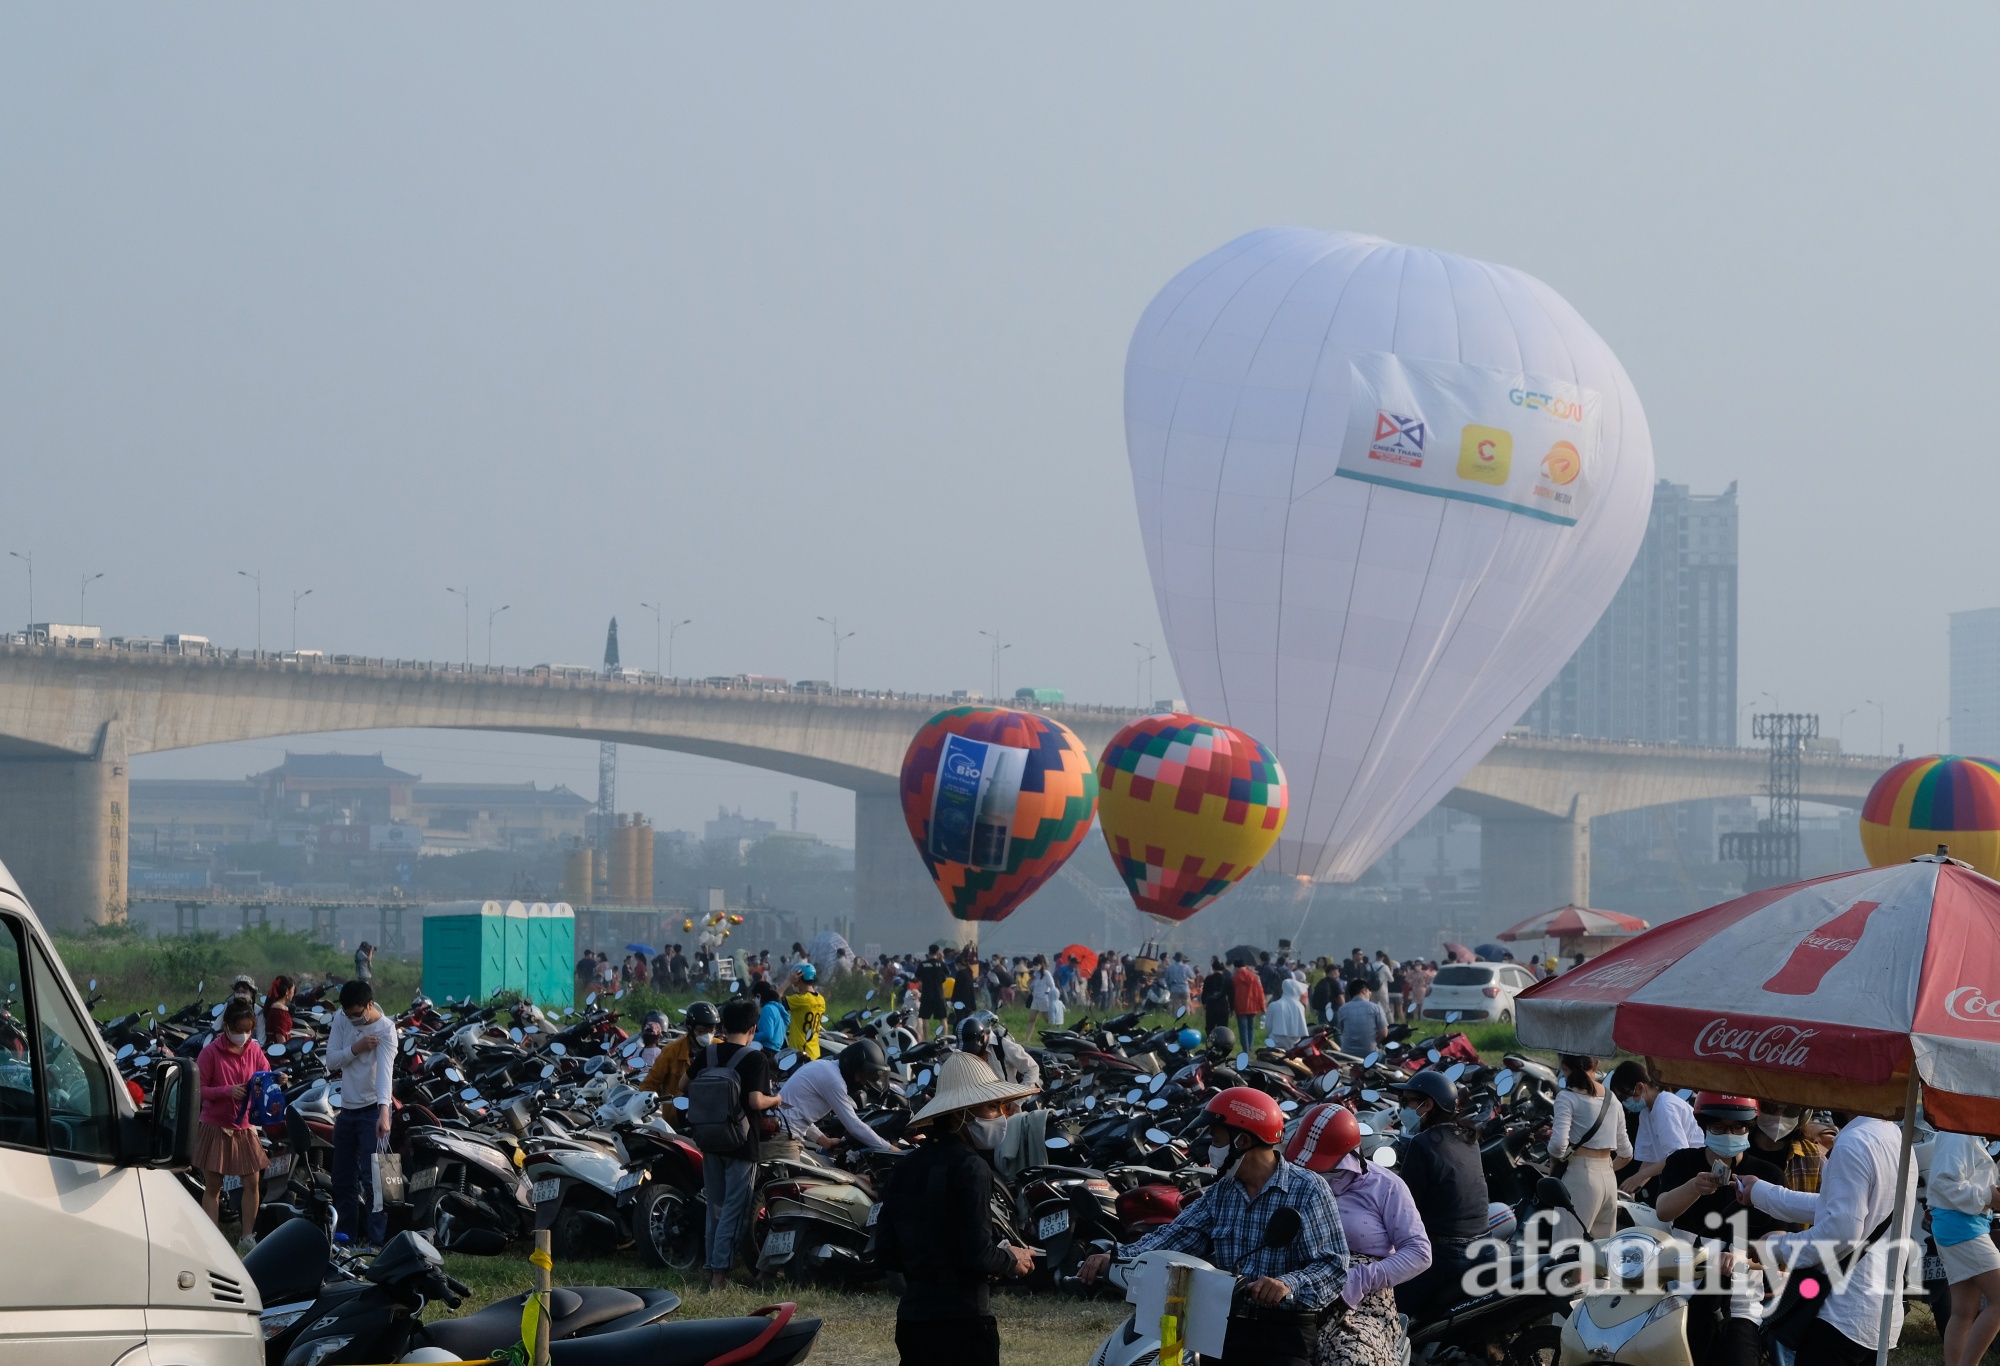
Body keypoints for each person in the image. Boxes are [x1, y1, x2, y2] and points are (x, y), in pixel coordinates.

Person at [1080, 1087, 1350, 1366]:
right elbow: (1175, 1237)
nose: (1211, 1148)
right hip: (1221, 1327)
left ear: (1242, 1141)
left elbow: (1334, 1266)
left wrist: (1285, 1284)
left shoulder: (1308, 1189)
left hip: (1283, 1334)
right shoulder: (1222, 1192)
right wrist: (1116, 1257)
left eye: (1216, 1139)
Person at [875, 1051, 1040, 1366]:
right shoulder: (971, 1167)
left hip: (913, 1321)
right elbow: (977, 1253)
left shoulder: (906, 1165)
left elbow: (886, 1252)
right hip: (963, 1324)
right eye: (992, 1106)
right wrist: (1010, 1259)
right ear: (960, 1114)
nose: (1000, 1116)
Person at [1735, 1110, 1921, 1363]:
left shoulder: (1853, 1142)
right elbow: (1838, 1208)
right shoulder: (1895, 1136)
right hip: (1879, 1310)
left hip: (1842, 1311)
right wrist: (1760, 1193)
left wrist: (1775, 1246)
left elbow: (1840, 1233)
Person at [1285, 1104, 1431, 1366]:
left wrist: (1358, 1279)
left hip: (1363, 1303)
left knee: (1351, 1358)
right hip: (1299, 1291)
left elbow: (1419, 1252)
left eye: (1324, 1168)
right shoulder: (1297, 1180)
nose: (1315, 1175)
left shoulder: (1385, 1186)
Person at [1652, 1093, 1785, 1366]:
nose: (1730, 1134)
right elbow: (1663, 1210)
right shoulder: (1682, 1163)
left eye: (1738, 1128)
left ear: (1749, 1127)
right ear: (1704, 1127)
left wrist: (1743, 1258)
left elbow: (1782, 1243)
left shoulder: (1768, 1175)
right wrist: (1693, 1188)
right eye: (1720, 1128)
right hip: (1682, 1295)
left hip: (1742, 1300)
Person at [685, 996, 783, 1290]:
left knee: (714, 1205)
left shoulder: (708, 1054)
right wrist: (776, 1098)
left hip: (709, 1140)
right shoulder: (755, 1059)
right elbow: (755, 1100)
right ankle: (719, 1274)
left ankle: (711, 1268)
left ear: (723, 1026)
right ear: (753, 1029)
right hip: (741, 1144)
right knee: (733, 1208)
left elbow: (682, 1086)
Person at [1388, 1069, 1488, 1315]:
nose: (1403, 1109)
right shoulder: (1468, 1137)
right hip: (1485, 1246)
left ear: (1428, 1104)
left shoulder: (1422, 1144)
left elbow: (1406, 1209)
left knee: (1388, 1303)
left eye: (1407, 1101)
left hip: (1448, 1256)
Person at [196, 998, 273, 1251]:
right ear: (226, 1027)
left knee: (252, 1183)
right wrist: (227, 1091)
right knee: (214, 1186)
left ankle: (247, 1237)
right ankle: (211, 1239)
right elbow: (199, 1089)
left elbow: (265, 1076)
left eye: (248, 1030)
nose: (243, 1035)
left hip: (244, 1126)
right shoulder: (210, 1053)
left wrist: (275, 1080)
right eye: (238, 1030)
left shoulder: (254, 1050)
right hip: (216, 1125)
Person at [324, 979, 396, 1247]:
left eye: (357, 1014)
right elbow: (331, 1060)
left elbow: (385, 1074)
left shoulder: (387, 1030)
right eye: (348, 1014)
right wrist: (357, 1048)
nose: (352, 1019)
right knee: (342, 1179)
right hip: (347, 1111)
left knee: (376, 1180)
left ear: (369, 1005)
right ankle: (345, 1239)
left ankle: (377, 1242)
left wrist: (384, 1113)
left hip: (372, 1112)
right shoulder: (342, 1019)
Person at [1927, 1128, 2000, 1366]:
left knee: (1964, 1311)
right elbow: (1943, 1183)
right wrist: (1988, 1196)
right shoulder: (1958, 1134)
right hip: (1961, 1226)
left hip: (1962, 1224)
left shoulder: (1971, 1134)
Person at [1547, 1054, 1629, 1239]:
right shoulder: (1612, 1098)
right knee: (1601, 1254)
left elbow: (1558, 1144)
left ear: (1563, 1066)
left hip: (1580, 1177)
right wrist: (1604, 1170)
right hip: (1609, 1179)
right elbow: (1626, 1153)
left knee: (1567, 1250)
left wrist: (1554, 1163)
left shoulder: (1567, 1097)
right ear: (1597, 1065)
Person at [775, 1041, 900, 1154]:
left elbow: (798, 1115)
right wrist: (891, 1149)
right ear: (852, 1067)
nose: (863, 1083)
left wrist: (824, 1141)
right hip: (783, 1139)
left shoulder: (823, 1066)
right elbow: (854, 1126)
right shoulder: (834, 1080)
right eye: (862, 1076)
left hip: (783, 1131)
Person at [1608, 1061, 1702, 1196]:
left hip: (1697, 1175)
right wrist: (1633, 1189)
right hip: (1685, 1177)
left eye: (1624, 1097)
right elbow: (1650, 1157)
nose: (1624, 1103)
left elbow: (1678, 1156)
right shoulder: (1646, 1112)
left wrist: (1639, 1177)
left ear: (1640, 1088)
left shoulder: (1665, 1105)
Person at [1745, 1102, 1833, 1193]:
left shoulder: (1814, 1158)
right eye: (1770, 1108)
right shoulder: (1736, 1150)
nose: (1779, 1116)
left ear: (1803, 1114)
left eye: (1790, 1111)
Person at [640, 1001, 719, 1099]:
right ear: (690, 1028)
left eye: (711, 1030)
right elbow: (649, 1084)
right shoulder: (671, 1051)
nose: (707, 1035)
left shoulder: (721, 1048)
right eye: (702, 1030)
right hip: (677, 1112)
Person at [957, 1010, 1040, 1088]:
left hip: (1008, 1098)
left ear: (982, 1039)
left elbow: (1032, 1069)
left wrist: (1018, 1101)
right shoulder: (964, 1052)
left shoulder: (1003, 1046)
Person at [782, 963, 826, 1059]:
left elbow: (774, 999)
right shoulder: (821, 999)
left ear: (798, 978)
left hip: (801, 1054)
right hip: (815, 1052)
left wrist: (788, 981)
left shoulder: (801, 999)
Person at [1336, 979, 1387, 1058]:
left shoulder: (1342, 1009)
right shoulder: (1375, 1008)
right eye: (1369, 991)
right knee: (1386, 1056)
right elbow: (1384, 1033)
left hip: (1347, 1054)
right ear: (1364, 991)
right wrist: (1374, 1042)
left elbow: (1342, 1031)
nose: (1370, 993)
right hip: (1369, 1054)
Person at [1264, 977, 1309, 1051]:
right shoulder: (1300, 1006)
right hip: (1294, 1041)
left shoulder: (1274, 1005)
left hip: (1276, 1040)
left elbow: (1268, 1025)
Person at [1232, 958, 1267, 1049]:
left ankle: (1245, 1048)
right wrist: (1263, 1007)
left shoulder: (1235, 978)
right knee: (1251, 1028)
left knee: (1243, 1030)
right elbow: (1260, 992)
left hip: (1240, 1007)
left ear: (1236, 967)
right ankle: (1250, 1046)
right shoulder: (1255, 977)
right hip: (1253, 1006)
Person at [752, 980, 789, 1051]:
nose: (754, 1000)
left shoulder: (767, 1009)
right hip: (777, 1049)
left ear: (758, 996)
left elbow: (768, 1034)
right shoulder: (777, 1007)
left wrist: (751, 1036)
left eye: (755, 997)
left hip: (768, 1049)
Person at [1202, 957, 1234, 1035]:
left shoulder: (1208, 979)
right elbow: (1231, 995)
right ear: (1223, 968)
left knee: (1210, 1028)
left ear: (1212, 968)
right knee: (1223, 1028)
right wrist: (1232, 1008)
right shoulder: (1227, 979)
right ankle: (1222, 1043)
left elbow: (1204, 993)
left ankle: (1210, 1043)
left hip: (1211, 1006)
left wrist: (1204, 1003)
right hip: (1223, 1006)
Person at [263, 975, 295, 1046]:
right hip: (277, 1049)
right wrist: (285, 1052)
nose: (293, 993)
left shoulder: (274, 1007)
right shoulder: (279, 1011)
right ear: (287, 991)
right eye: (293, 989)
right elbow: (280, 1036)